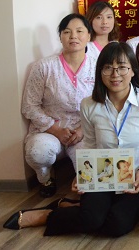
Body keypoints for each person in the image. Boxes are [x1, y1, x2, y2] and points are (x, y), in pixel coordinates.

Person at [7, 42, 139, 235]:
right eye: (108, 68)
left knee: (118, 224)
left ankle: (65, 209)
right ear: (100, 72)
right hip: (103, 174)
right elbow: (90, 145)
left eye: (122, 67)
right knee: (91, 218)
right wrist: (84, 173)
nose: (115, 74)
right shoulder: (89, 105)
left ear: (133, 70)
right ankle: (48, 214)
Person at [21, 14, 96, 197]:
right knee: (39, 152)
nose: (73, 36)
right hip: (49, 129)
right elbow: (29, 106)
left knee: (92, 175)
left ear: (88, 35)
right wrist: (56, 130)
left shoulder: (97, 66)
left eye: (79, 31)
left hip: (83, 130)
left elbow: (102, 103)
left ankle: (80, 179)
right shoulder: (44, 66)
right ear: (60, 36)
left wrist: (82, 130)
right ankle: (45, 178)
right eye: (67, 32)